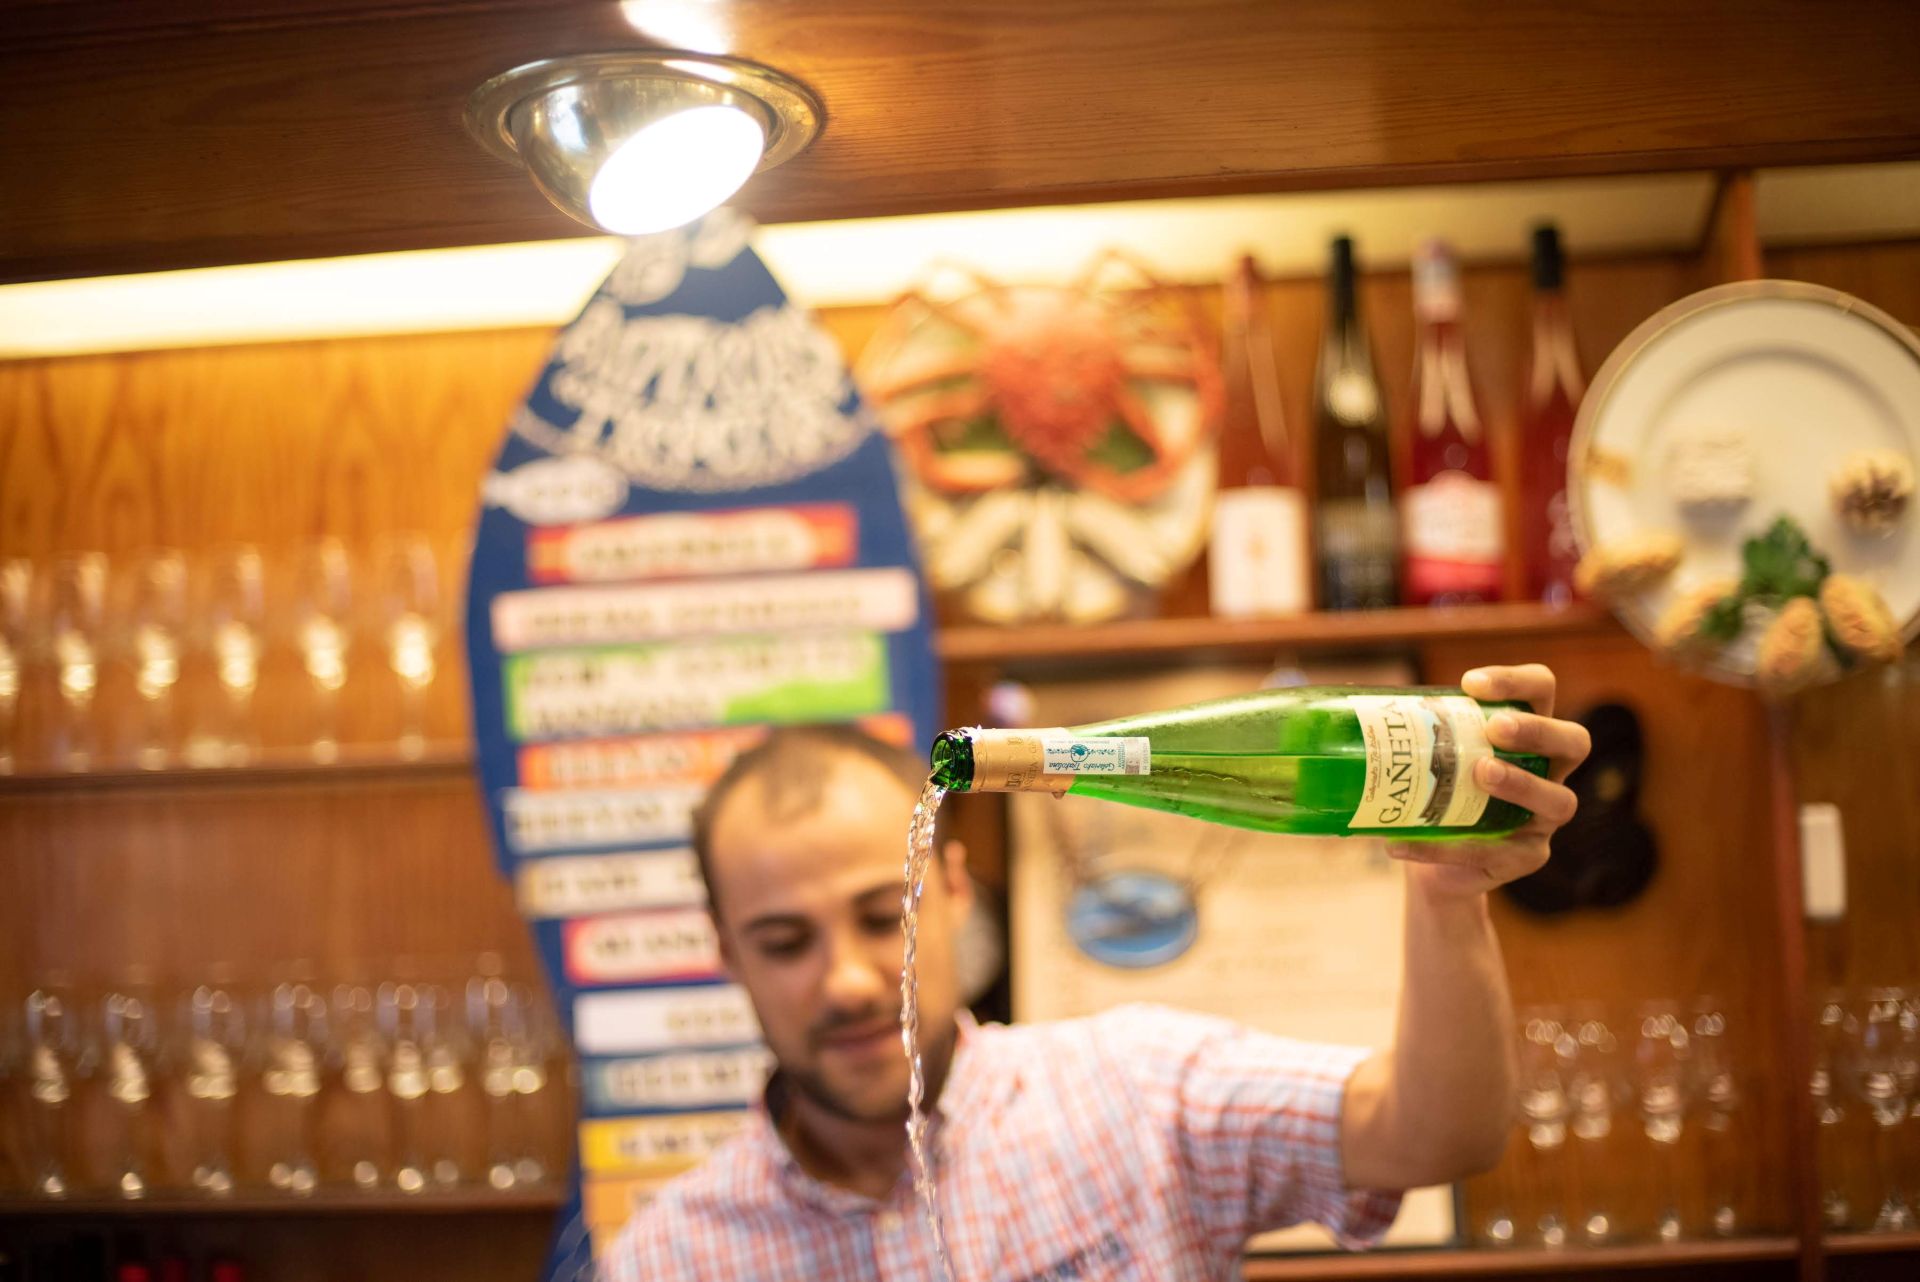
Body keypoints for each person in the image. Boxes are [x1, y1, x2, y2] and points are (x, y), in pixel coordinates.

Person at [604, 664, 1590, 1281]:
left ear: (954, 890)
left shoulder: (1138, 1092)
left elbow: (1435, 1131)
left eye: (880, 916)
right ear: (726, 952)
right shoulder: (669, 1260)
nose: (851, 981)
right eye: (786, 942)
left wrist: (1448, 894)